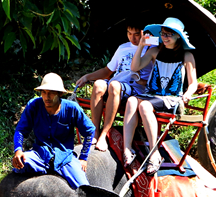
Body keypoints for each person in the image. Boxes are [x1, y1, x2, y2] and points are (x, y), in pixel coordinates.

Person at [122, 18, 198, 172]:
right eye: (163, 34)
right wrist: (141, 46)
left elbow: (193, 83)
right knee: (131, 101)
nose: (165, 37)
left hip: (170, 98)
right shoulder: (155, 51)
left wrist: (188, 93)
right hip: (151, 94)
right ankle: (127, 149)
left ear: (178, 36)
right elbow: (135, 67)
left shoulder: (186, 55)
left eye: (169, 34)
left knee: (144, 105)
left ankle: (154, 153)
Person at [74, 21, 153, 151]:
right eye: (129, 33)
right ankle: (95, 131)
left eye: (137, 34)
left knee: (115, 86)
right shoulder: (123, 48)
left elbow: (157, 74)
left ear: (144, 34)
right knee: (99, 84)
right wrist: (87, 76)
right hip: (115, 84)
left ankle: (105, 134)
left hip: (135, 88)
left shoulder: (151, 49)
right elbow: (107, 71)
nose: (132, 38)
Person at [12, 73, 95, 189]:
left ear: (60, 94)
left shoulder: (72, 108)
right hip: (39, 156)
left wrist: (83, 158)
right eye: (44, 92)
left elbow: (90, 131)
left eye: (51, 93)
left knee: (84, 188)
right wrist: (18, 150)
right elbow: (20, 130)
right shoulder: (34, 105)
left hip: (65, 158)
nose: (47, 97)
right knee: (18, 166)